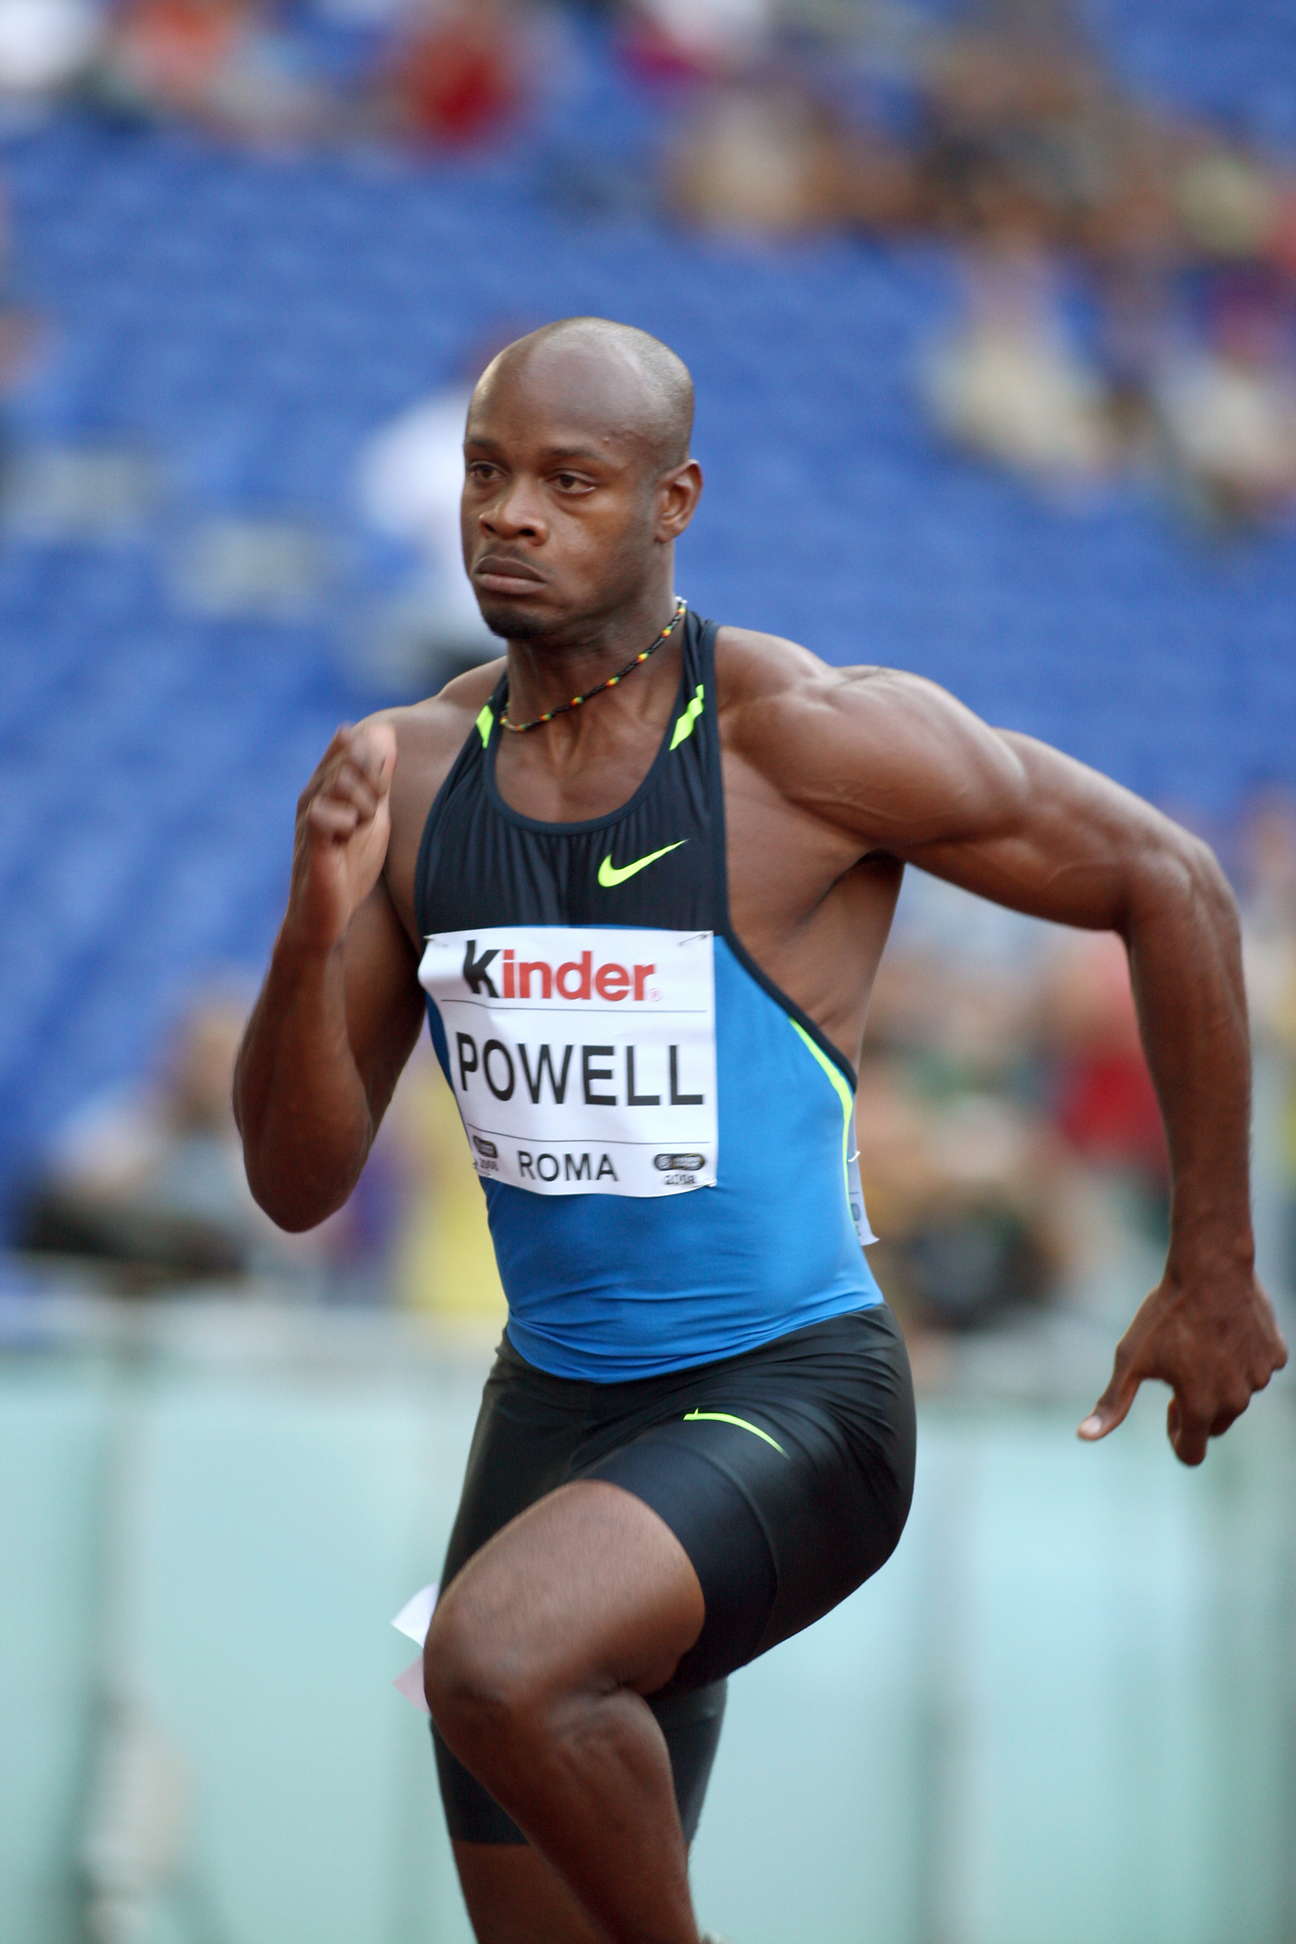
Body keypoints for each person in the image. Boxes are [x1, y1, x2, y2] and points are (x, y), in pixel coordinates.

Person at [233, 316, 1287, 1944]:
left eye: (568, 482)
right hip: (550, 1422)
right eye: (486, 473)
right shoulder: (413, 778)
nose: (508, 514)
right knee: (518, 1775)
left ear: (673, 504)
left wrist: (1211, 1261)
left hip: (793, 1399)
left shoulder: (797, 741)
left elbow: (1173, 880)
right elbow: (297, 1186)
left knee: (494, 1659)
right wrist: (313, 930)